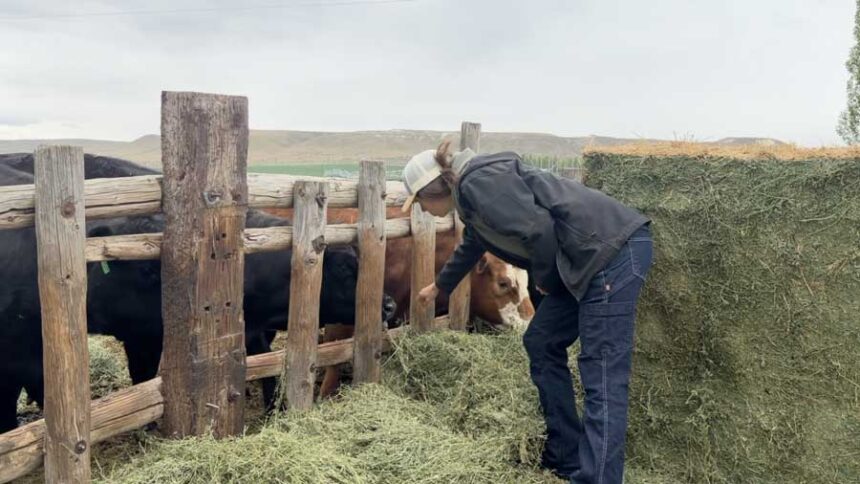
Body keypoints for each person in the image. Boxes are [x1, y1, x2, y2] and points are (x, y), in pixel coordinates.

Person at [405, 141, 653, 484]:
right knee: (541, 340)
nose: (422, 210)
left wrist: (545, 282)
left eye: (419, 202)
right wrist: (440, 287)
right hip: (581, 258)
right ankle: (564, 454)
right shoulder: (472, 198)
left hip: (609, 254)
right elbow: (475, 240)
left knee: (602, 373)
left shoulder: (478, 184)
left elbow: (540, 230)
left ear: (433, 190)